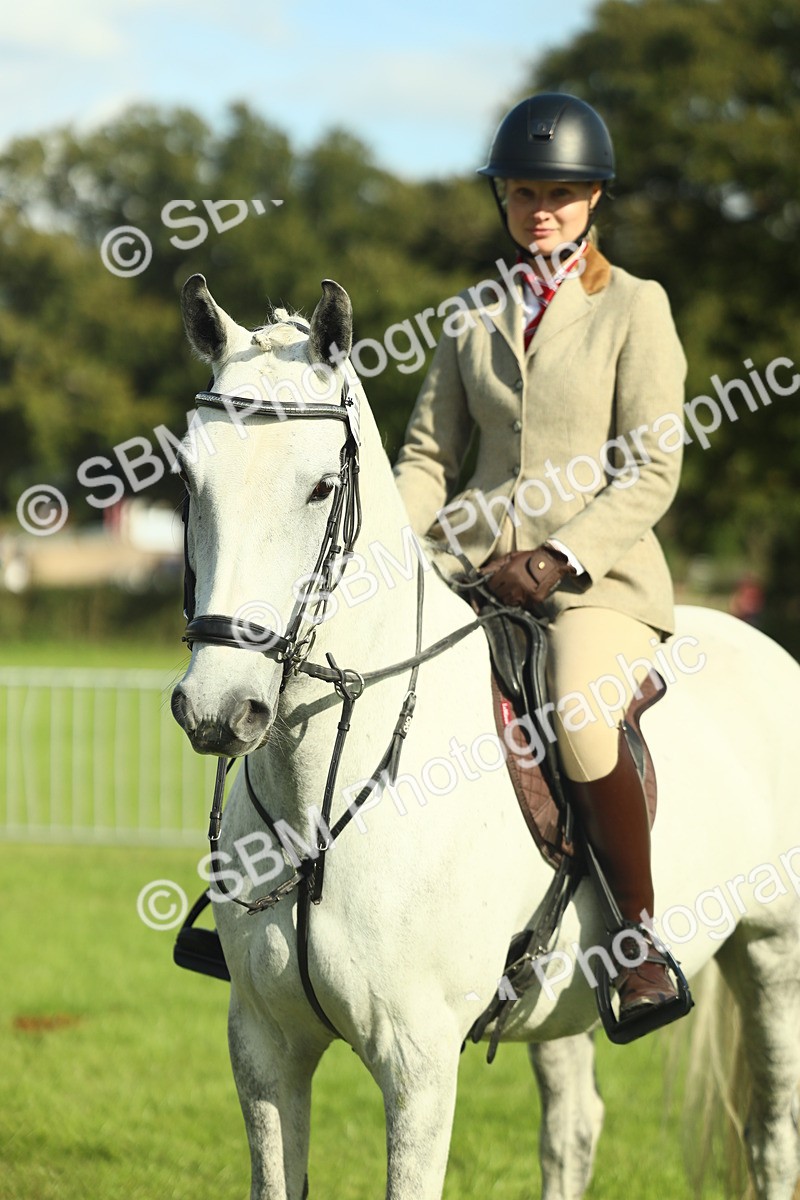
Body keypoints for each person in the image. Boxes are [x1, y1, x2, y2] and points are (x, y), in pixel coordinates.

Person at [393, 93, 687, 1020]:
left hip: (595, 588)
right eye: (524, 193)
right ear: (504, 202)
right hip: (473, 571)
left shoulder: (637, 308)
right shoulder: (467, 315)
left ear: (594, 198)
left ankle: (639, 950)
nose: (542, 210)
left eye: (560, 193)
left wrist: (558, 557)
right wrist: (393, 552)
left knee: (579, 710)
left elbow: (651, 467)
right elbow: (428, 459)